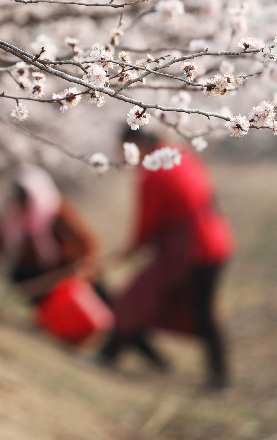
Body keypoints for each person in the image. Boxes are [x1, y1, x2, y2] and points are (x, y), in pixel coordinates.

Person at [98, 128, 234, 389]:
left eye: (124, 149)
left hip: (195, 248)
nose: (123, 157)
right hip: (213, 240)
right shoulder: (181, 155)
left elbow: (146, 226)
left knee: (144, 299)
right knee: (168, 303)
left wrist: (126, 252)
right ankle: (112, 354)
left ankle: (219, 379)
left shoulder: (156, 173)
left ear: (136, 144)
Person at [0, 165, 99, 304]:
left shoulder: (57, 211)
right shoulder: (12, 219)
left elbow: (85, 241)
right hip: (34, 274)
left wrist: (85, 267)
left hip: (63, 272)